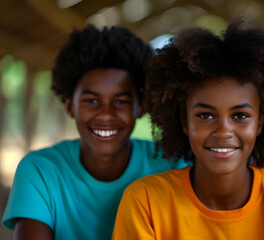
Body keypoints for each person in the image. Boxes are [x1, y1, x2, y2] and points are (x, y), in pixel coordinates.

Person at [112, 20, 264, 239]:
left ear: (260, 123)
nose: (223, 131)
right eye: (205, 115)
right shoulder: (146, 201)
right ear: (184, 123)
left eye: (240, 116)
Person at [2, 24, 188, 240]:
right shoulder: (41, 171)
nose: (106, 114)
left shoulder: (173, 163)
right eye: (91, 100)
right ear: (70, 106)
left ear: (141, 107)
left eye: (120, 101)